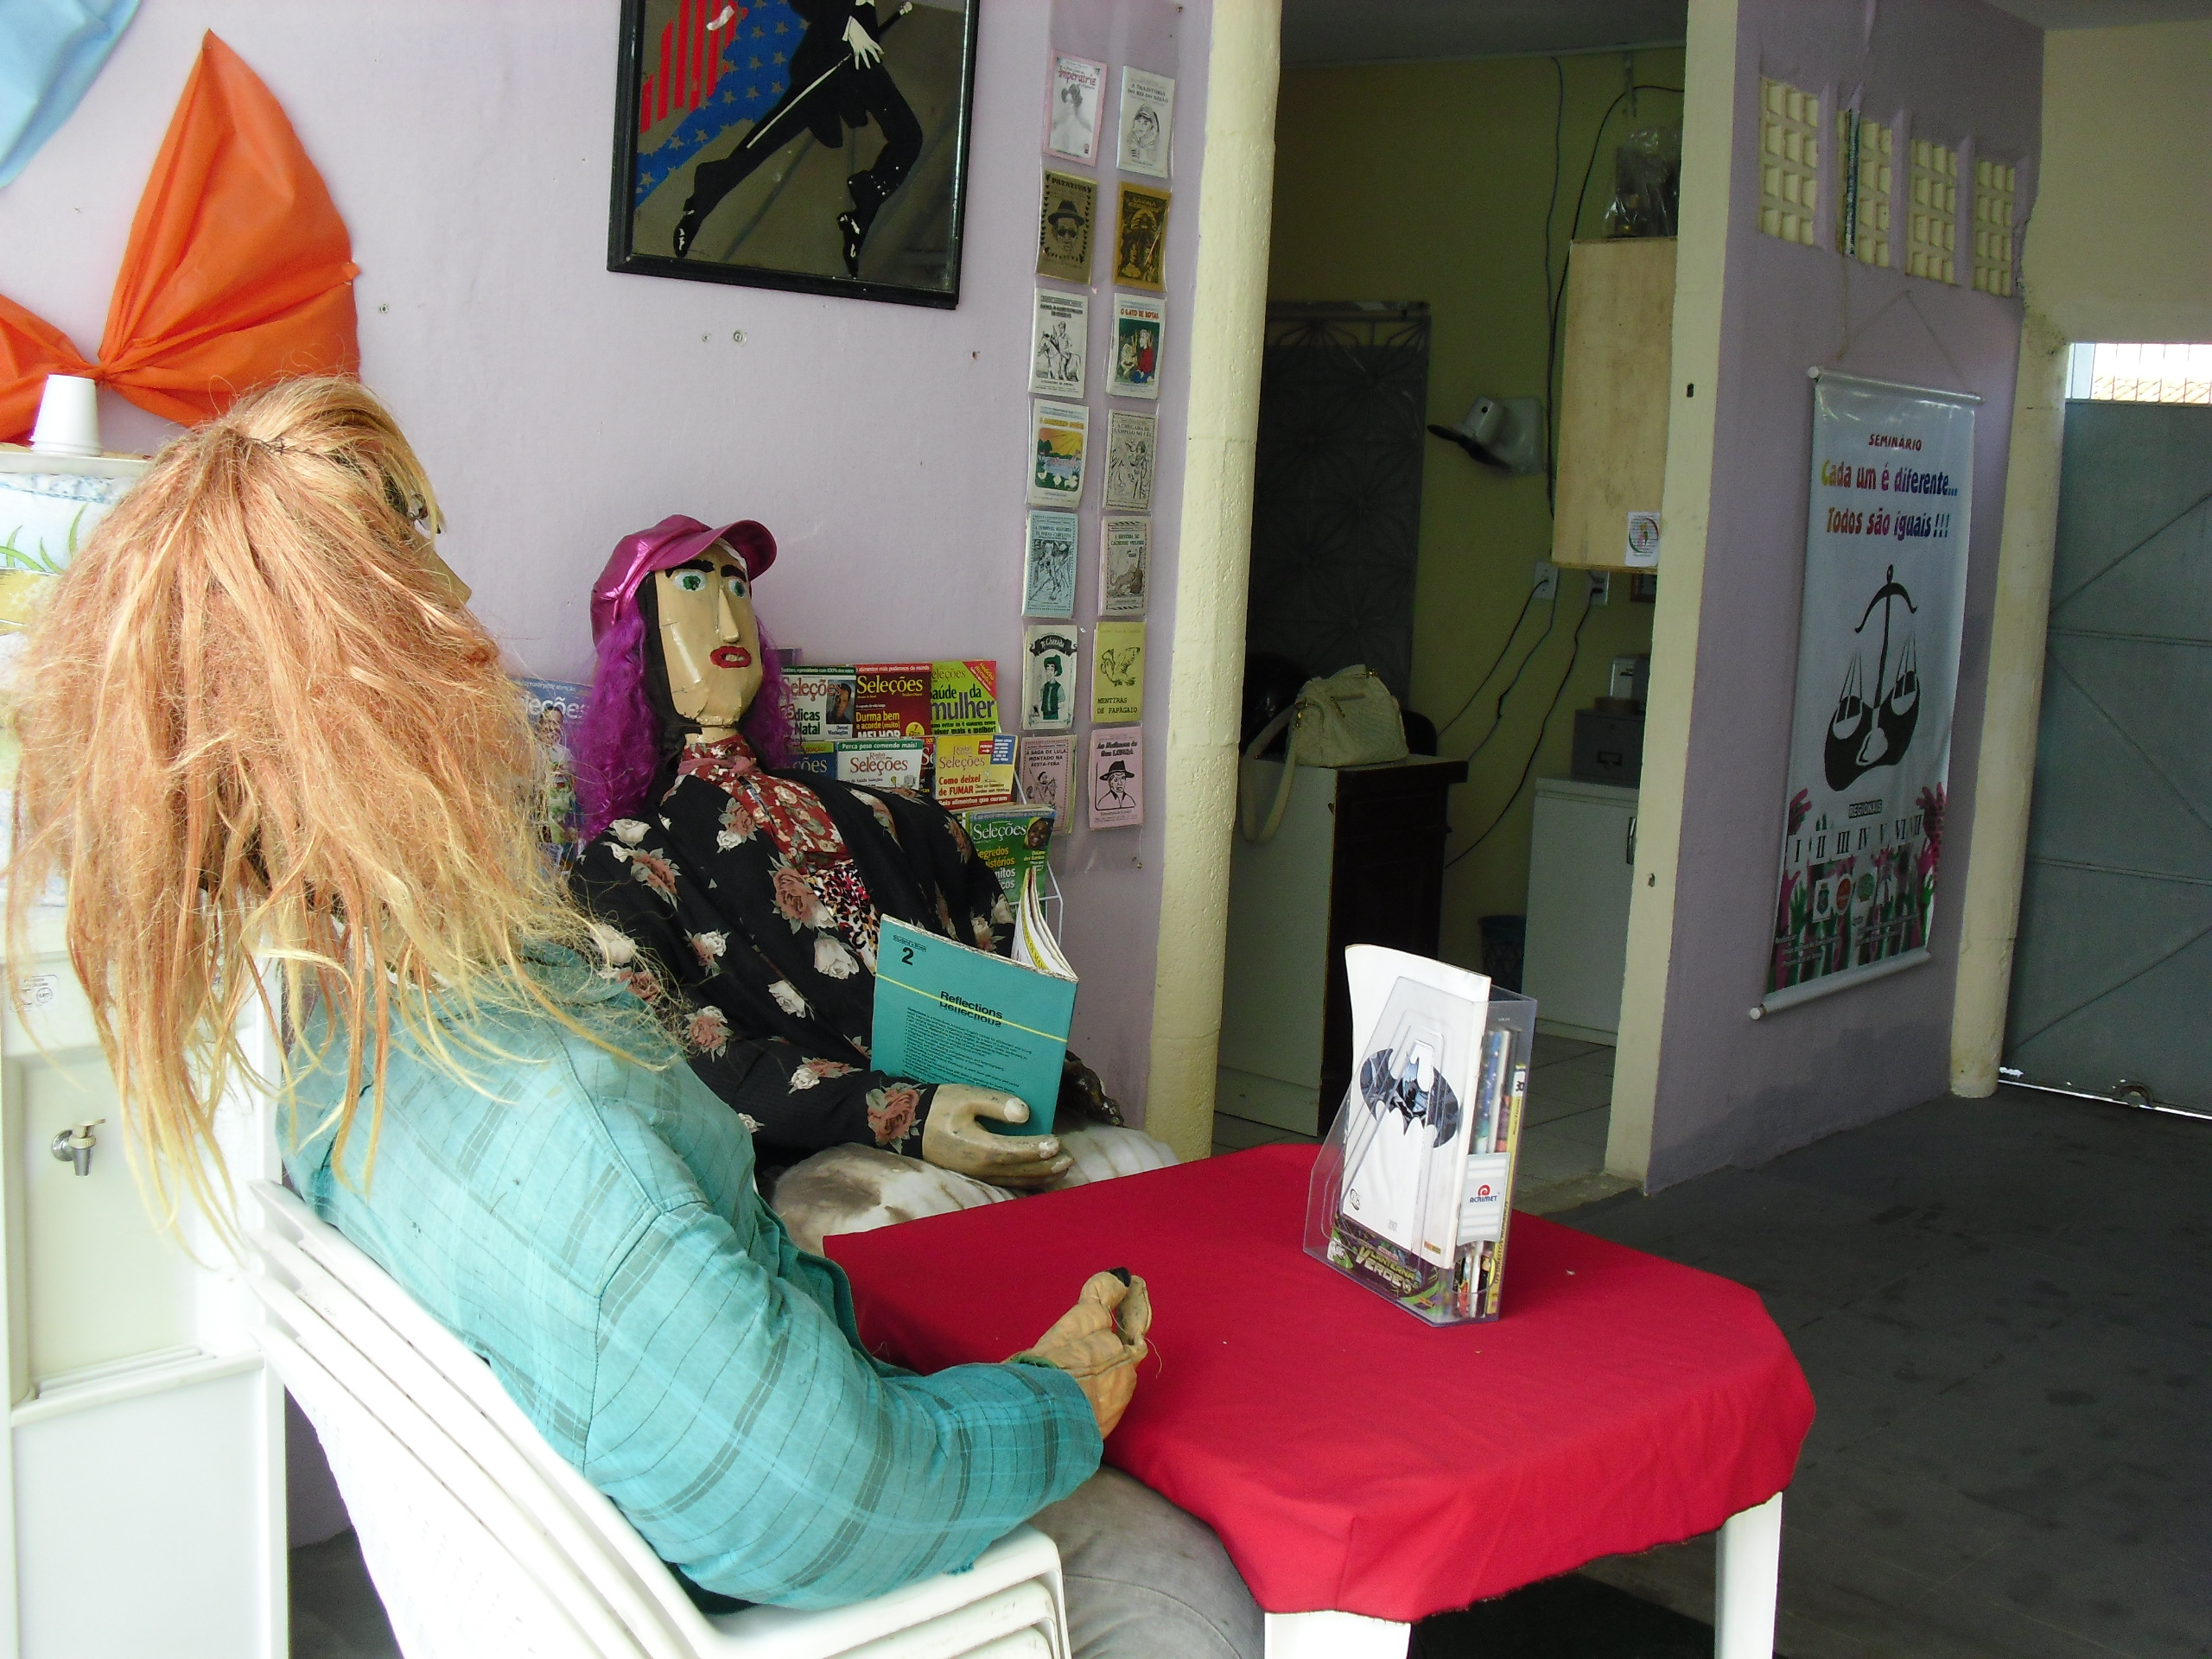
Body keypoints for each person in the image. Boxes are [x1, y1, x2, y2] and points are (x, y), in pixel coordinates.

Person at [5, 378, 1258, 1656]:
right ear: (408, 715)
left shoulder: (335, 1042)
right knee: (1192, 1579)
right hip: (792, 1557)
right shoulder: (559, 1103)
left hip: (744, 1432)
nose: (480, 633)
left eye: (737, 587)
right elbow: (821, 1494)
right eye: (439, 598)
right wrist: (1053, 1399)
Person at [566, 518, 1174, 1250]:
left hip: (977, 1102)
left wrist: (1027, 1076)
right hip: (829, 1152)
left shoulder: (891, 815)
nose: (727, 619)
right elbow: (681, 1061)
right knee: (910, 1220)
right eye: (692, 587)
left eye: (739, 589)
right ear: (635, 644)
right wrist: (904, 1115)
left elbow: (995, 953)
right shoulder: (622, 867)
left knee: (1143, 1163)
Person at [672, 0, 921, 276]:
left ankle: (861, 216)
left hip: (862, 60)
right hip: (828, 55)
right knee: (765, 140)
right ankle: (699, 208)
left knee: (909, 136)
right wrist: (849, 27)